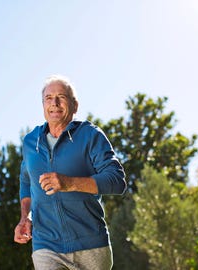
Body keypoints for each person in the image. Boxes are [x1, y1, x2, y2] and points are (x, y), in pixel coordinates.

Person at [14, 75, 126, 270]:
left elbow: (117, 180)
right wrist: (26, 218)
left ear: (75, 105)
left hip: (91, 245)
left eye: (61, 97)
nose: (54, 104)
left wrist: (69, 183)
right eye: (48, 98)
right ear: (43, 105)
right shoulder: (31, 142)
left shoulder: (90, 135)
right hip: (46, 245)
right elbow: (26, 181)